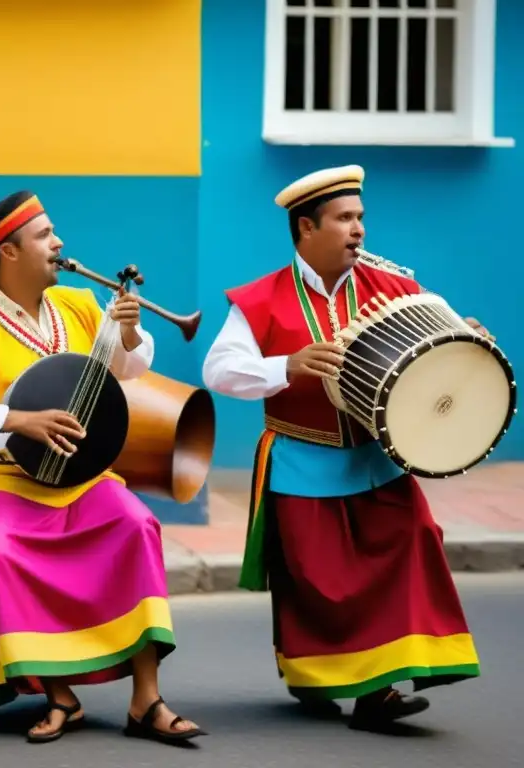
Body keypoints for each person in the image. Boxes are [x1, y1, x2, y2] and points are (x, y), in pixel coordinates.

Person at [201, 166, 486, 732]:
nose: (358, 230)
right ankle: (320, 677)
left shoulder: (397, 289)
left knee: (415, 539)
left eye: (360, 218)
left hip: (380, 459)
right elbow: (219, 371)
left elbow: (443, 346)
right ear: (307, 227)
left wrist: (469, 341)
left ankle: (379, 690)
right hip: (302, 458)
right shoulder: (260, 299)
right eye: (345, 219)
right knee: (316, 578)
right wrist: (287, 364)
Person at [0, 190, 206, 747]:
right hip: (6, 479)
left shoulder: (82, 305)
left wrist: (128, 333)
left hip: (83, 478)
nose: (59, 244)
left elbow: (126, 368)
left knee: (135, 525)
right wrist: (19, 420)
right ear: (9, 252)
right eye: (44, 236)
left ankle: (145, 698)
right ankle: (60, 696)